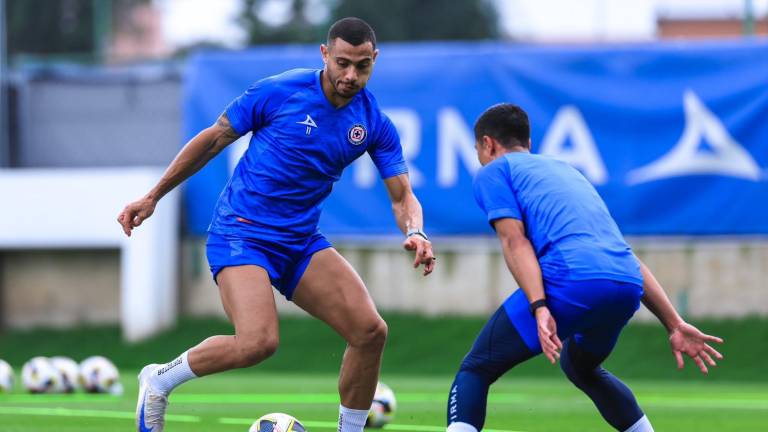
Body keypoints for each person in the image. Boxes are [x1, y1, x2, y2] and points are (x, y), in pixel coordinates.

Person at [118, 17, 436, 432]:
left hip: (300, 241)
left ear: (375, 60)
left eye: (362, 66)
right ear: (325, 55)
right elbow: (214, 137)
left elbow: (402, 196)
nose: (350, 75)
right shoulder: (281, 90)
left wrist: (415, 230)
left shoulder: (374, 123)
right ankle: (160, 379)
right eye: (342, 63)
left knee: (370, 331)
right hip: (241, 233)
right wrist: (153, 195)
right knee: (258, 342)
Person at [446, 103, 724, 432]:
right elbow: (622, 253)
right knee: (582, 368)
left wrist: (539, 306)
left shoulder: (494, 171)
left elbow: (514, 241)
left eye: (478, 149)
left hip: (573, 283)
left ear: (488, 144)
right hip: (625, 286)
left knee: (475, 370)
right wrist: (674, 323)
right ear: (529, 143)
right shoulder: (567, 171)